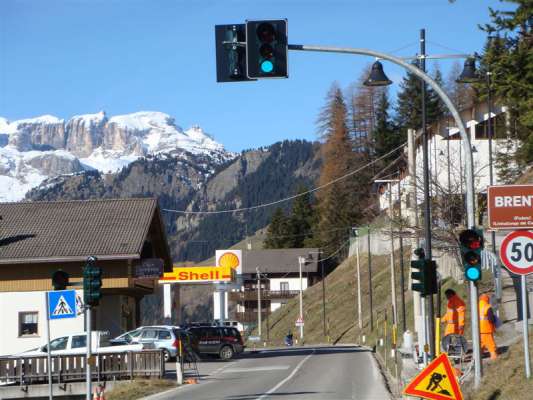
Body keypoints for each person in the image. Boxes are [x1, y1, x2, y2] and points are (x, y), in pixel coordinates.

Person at [479, 293, 498, 360]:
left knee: (481, 343)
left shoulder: (476, 306)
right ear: (487, 299)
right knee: (490, 344)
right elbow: (491, 319)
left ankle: (478, 356)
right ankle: (494, 357)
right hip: (486, 328)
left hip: (478, 329)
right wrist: (495, 321)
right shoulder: (487, 307)